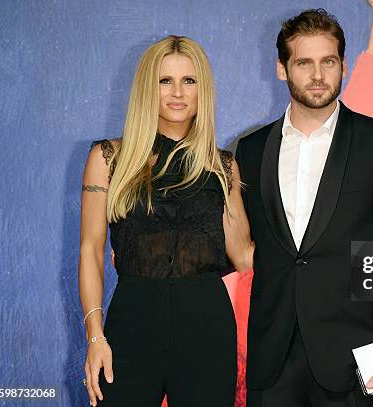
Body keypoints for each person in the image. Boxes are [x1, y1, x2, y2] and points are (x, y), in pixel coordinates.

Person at [235, 9, 373, 407]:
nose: (318, 75)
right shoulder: (251, 150)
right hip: (273, 360)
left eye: (328, 61)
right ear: (281, 69)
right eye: (304, 63)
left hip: (358, 360)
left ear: (344, 64)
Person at [78, 35, 253, 407]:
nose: (177, 92)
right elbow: (91, 250)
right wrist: (95, 336)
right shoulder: (109, 159)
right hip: (133, 320)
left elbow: (243, 255)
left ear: (201, 89)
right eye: (165, 81)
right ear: (147, 88)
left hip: (207, 324)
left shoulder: (222, 167)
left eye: (188, 81)